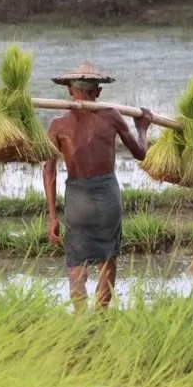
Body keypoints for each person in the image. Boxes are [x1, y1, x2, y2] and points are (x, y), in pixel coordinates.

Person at [43, 62, 152, 312]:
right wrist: (142, 128)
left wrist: (52, 217)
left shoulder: (58, 125)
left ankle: (81, 318)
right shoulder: (112, 116)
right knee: (107, 260)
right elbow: (141, 153)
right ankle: (101, 316)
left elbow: (48, 170)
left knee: (76, 264)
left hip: (77, 201)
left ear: (70, 91)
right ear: (99, 92)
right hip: (108, 199)